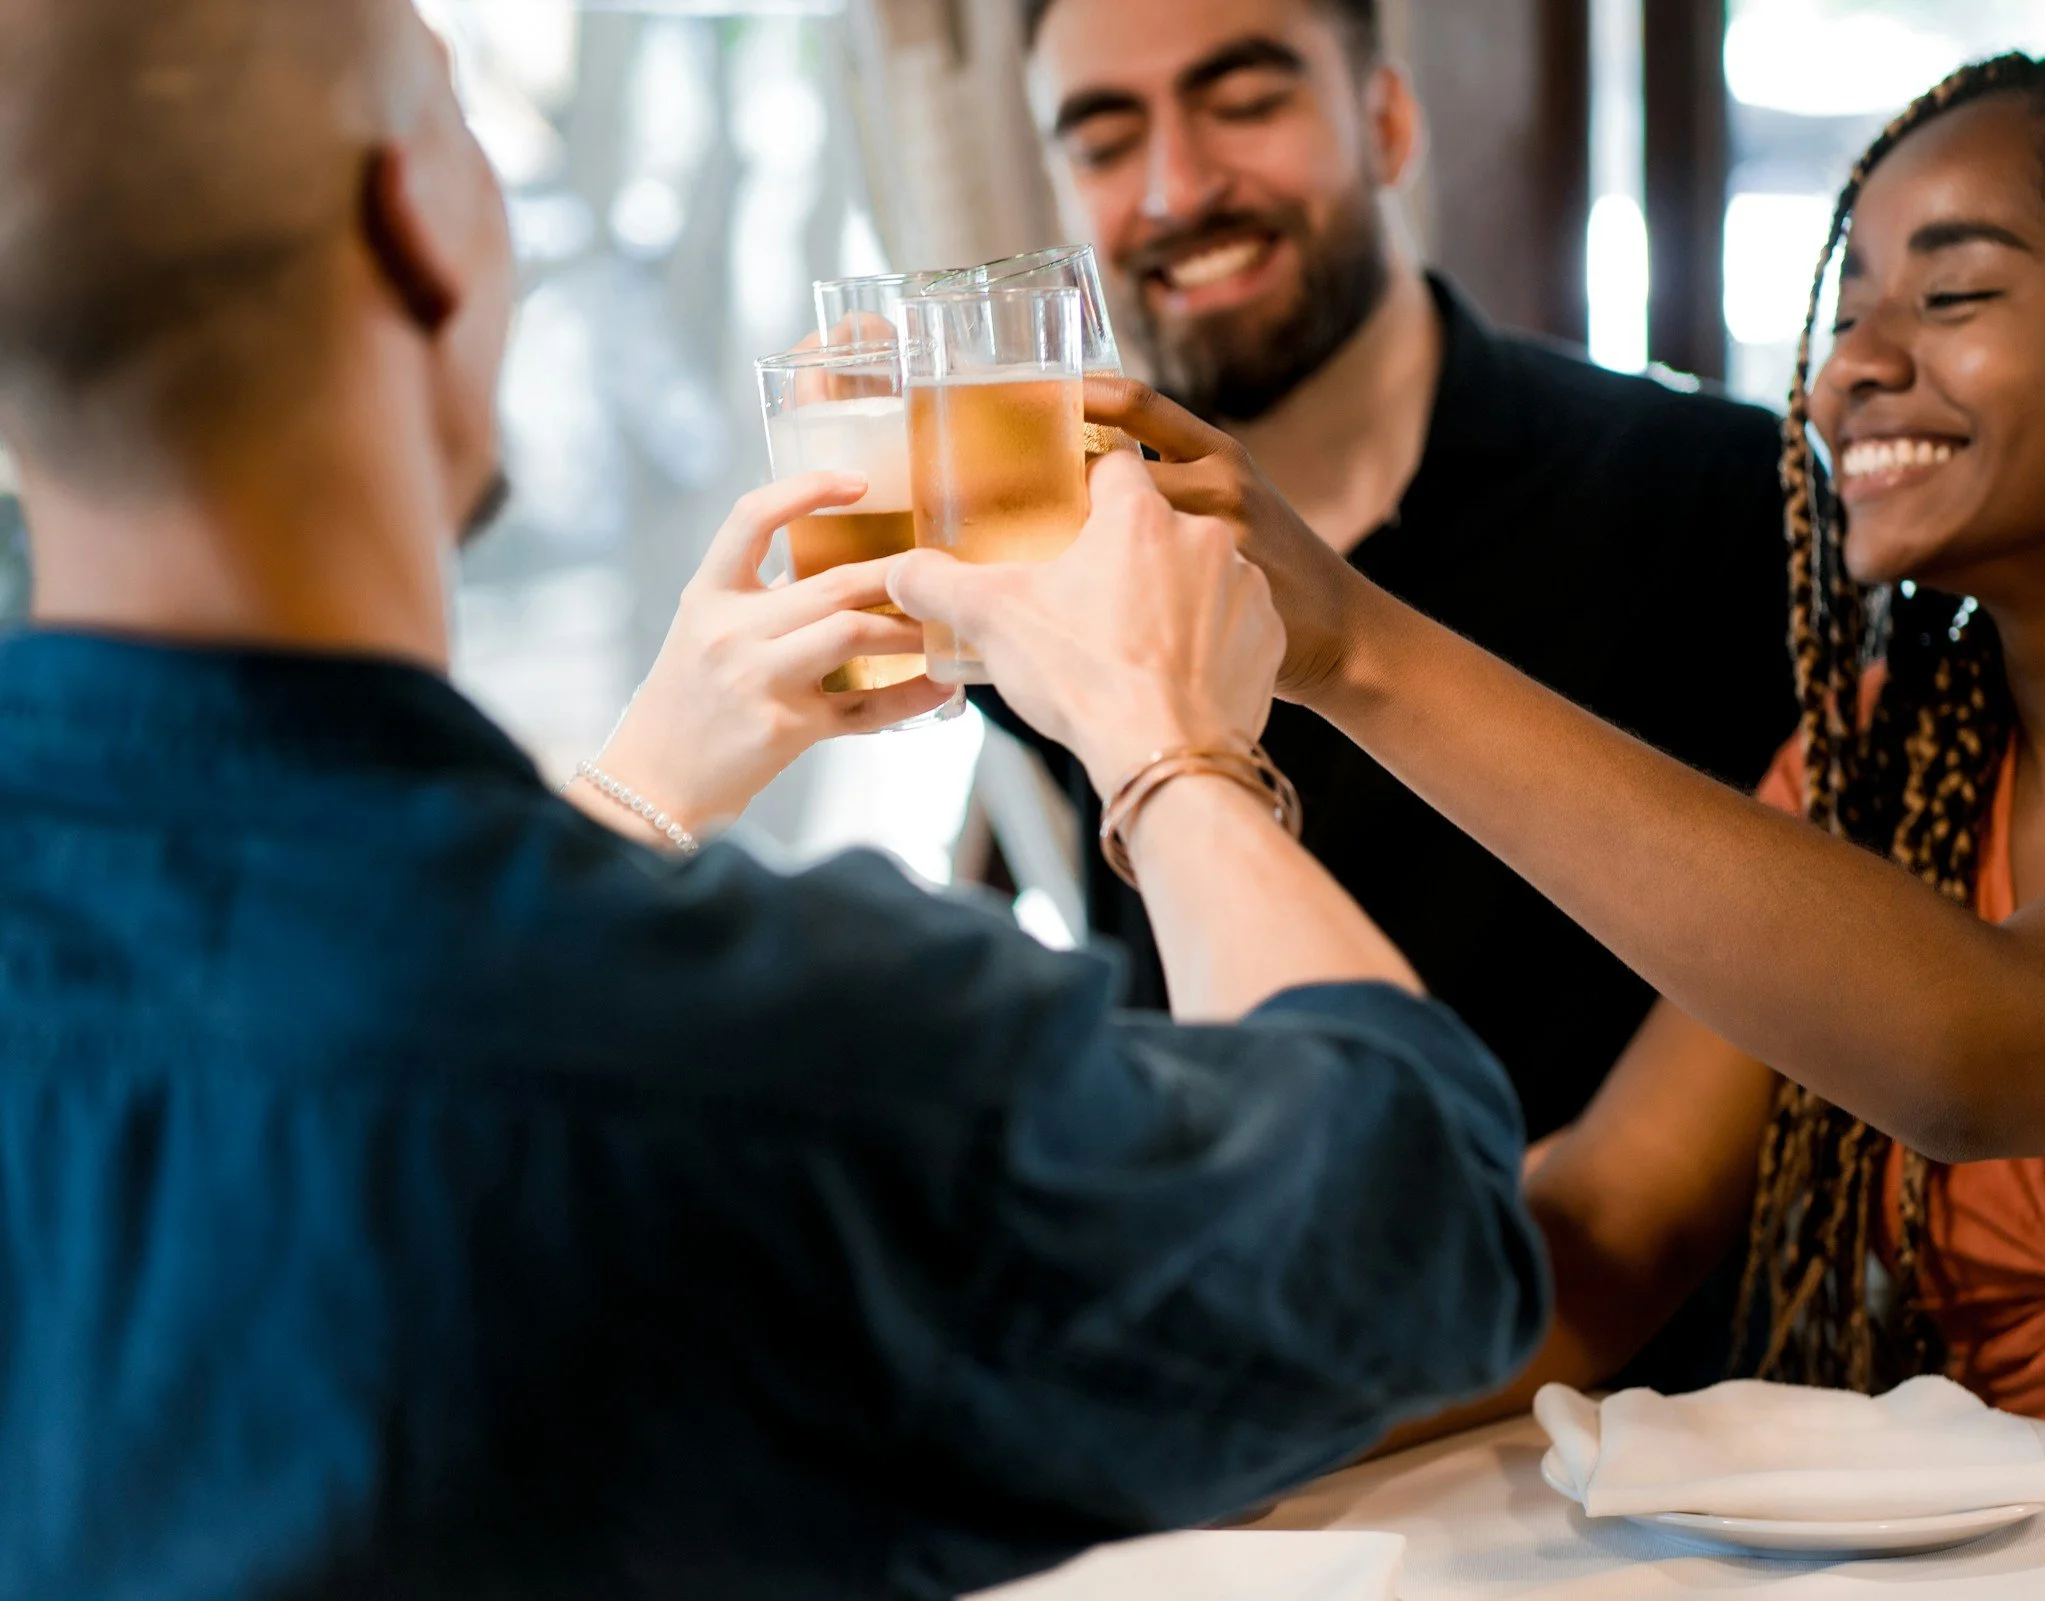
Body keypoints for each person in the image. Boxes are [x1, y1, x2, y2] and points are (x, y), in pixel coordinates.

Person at [0, 4, 1547, 1596]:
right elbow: (1408, 1237)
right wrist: (1170, 749)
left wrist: (646, 779)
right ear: (415, 223)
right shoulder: (775, 1054)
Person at [1077, 48, 2045, 1511]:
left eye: (1951, 297)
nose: (1854, 368)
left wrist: (1355, 645)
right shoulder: (1880, 765)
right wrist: (1117, 1407)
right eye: (1846, 318)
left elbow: (1991, 1047)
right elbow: (1608, 1224)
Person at [1005, 0, 1797, 1148]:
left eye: (1245, 104)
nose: (1177, 188)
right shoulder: (1064, 544)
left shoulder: (1717, 496)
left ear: (1383, 121)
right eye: (1106, 141)